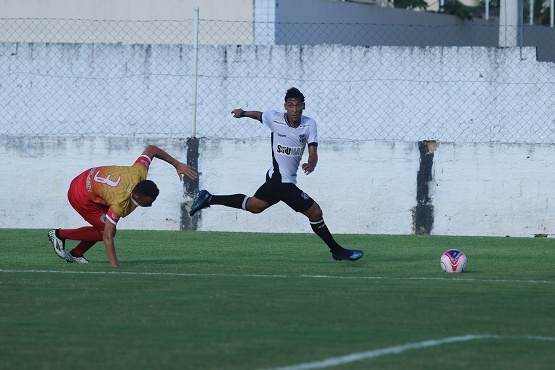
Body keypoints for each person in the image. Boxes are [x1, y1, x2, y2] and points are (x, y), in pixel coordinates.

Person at [189, 87, 363, 261]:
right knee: (315, 212)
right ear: (285, 106)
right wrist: (242, 113)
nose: (294, 110)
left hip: (277, 178)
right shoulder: (275, 118)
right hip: (281, 182)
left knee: (255, 206)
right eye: (290, 105)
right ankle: (338, 251)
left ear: (304, 106)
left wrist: (311, 164)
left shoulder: (309, 124)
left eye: (298, 105)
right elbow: (259, 115)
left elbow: (313, 152)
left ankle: (209, 198)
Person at [48, 145, 197, 268]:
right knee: (106, 232)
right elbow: (107, 236)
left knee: (103, 227)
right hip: (80, 195)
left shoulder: (138, 172)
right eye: (148, 202)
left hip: (85, 178)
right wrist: (116, 267)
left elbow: (151, 149)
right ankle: (60, 235)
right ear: (137, 196)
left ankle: (76, 254)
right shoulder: (120, 202)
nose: (150, 205)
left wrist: (177, 165)